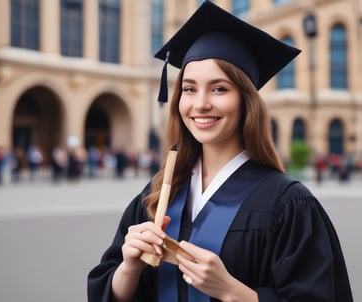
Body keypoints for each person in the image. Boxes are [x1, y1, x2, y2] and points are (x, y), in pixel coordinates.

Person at [88, 2, 353, 302]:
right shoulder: (159, 194)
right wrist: (129, 267)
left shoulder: (289, 205)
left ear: (246, 101)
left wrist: (232, 291)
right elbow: (107, 290)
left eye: (219, 89)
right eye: (189, 89)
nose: (200, 103)